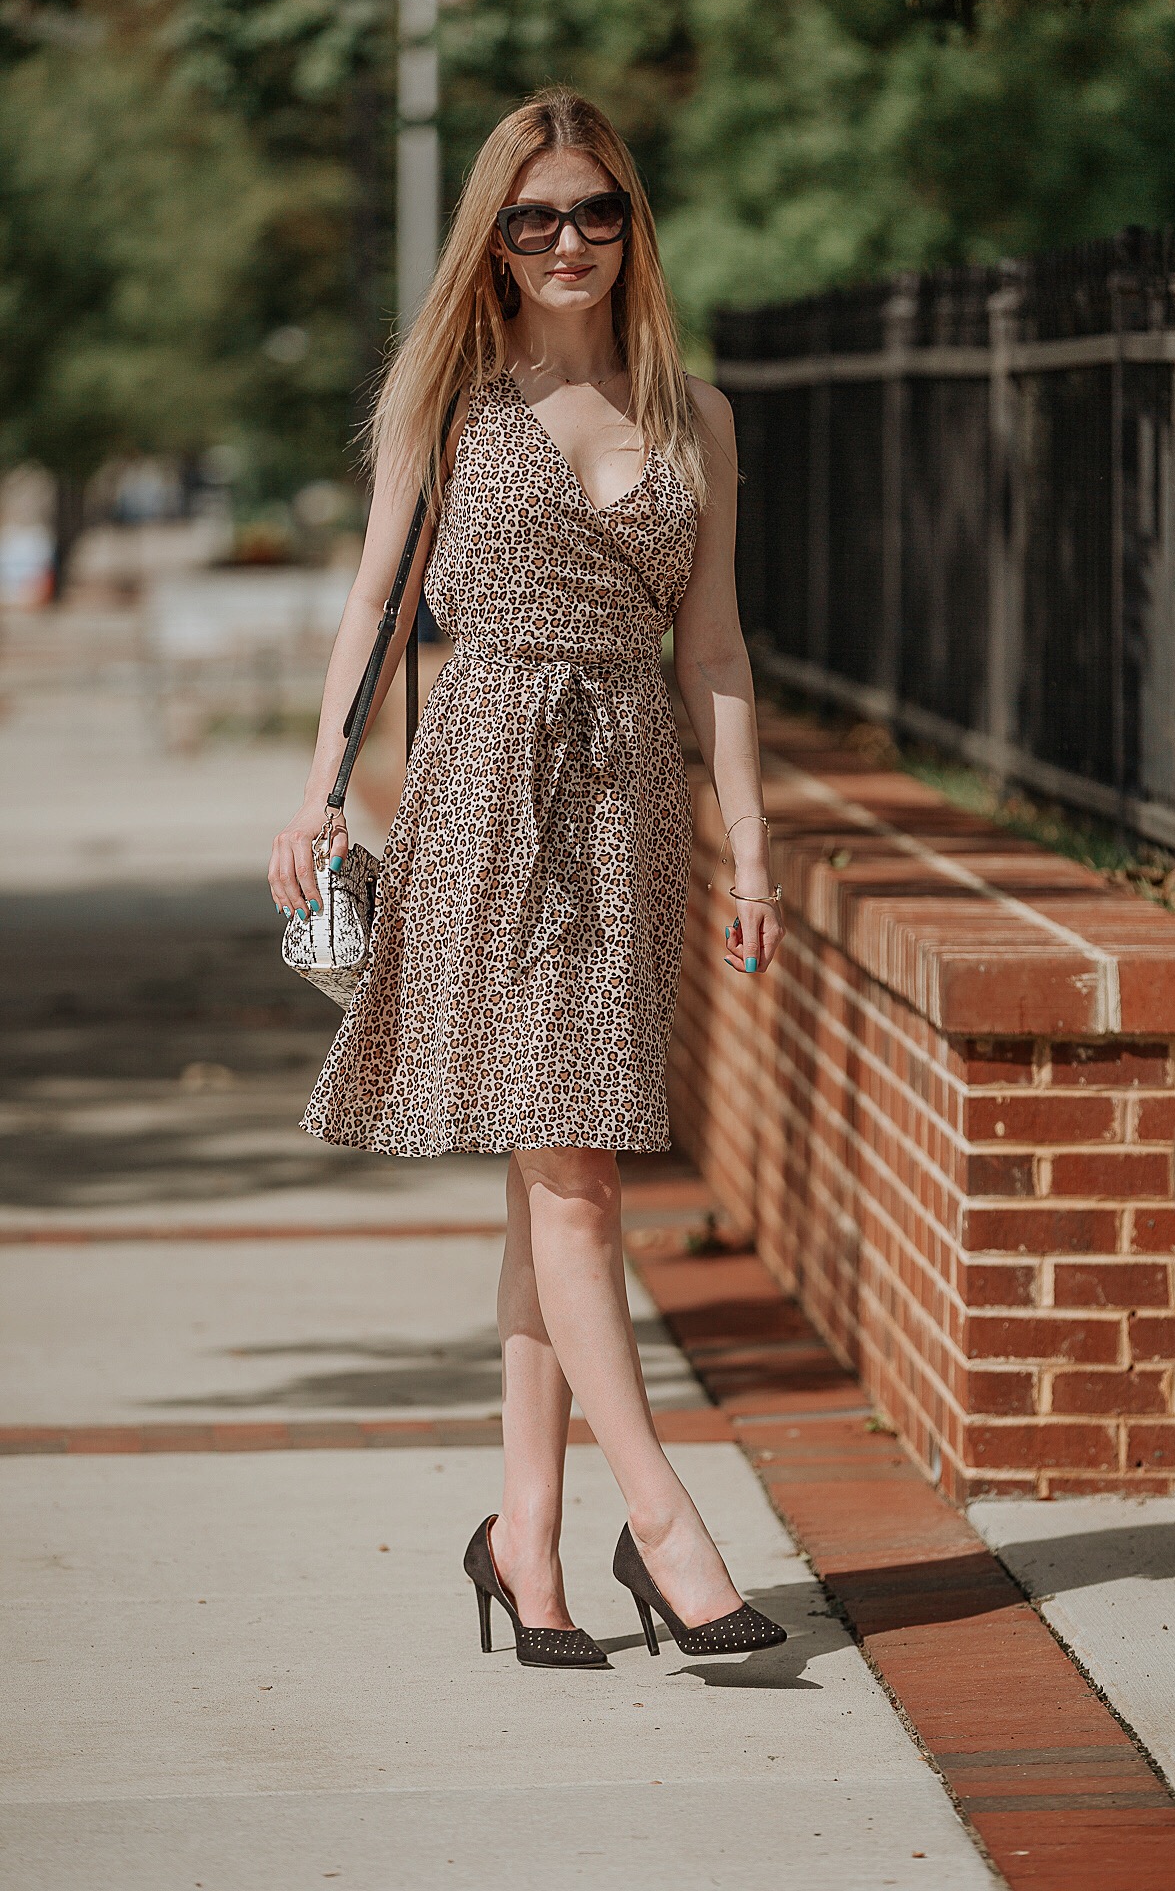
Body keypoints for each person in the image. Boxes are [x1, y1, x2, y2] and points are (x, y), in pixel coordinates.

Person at [268, 88, 785, 1667]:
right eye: (533, 218)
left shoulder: (694, 413)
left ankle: (524, 1542)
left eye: (596, 211)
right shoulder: (447, 401)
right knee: (576, 1170)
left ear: (633, 222)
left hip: (629, 795)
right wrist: (309, 791)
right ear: (490, 241)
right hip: (489, 782)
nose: (569, 242)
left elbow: (712, 644)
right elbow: (372, 609)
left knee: (547, 1172)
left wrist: (752, 839)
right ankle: (667, 1527)